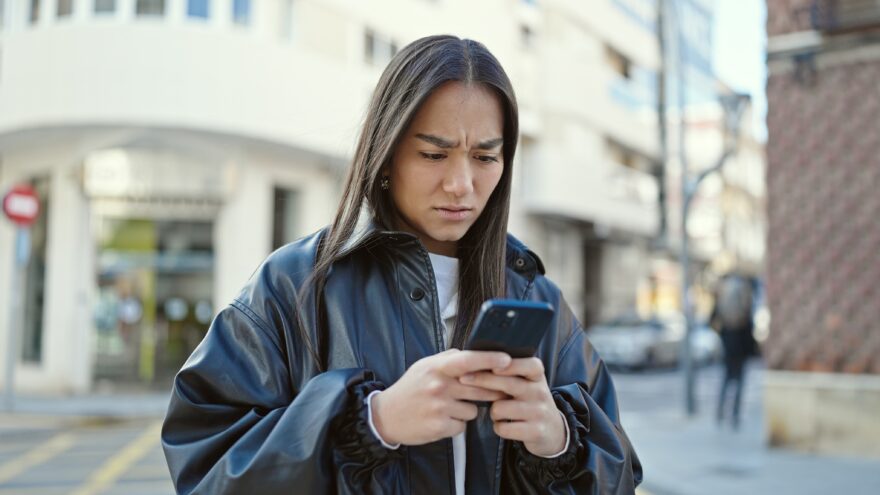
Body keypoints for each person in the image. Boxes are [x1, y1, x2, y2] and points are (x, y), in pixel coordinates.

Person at [161, 35, 642, 494]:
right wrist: (375, 421)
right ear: (386, 153)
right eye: (434, 154)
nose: (461, 183)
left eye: (484, 157)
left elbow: (620, 473)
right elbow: (206, 467)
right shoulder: (293, 284)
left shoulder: (537, 298)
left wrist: (559, 441)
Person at [711, 272, 757, 430]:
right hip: (741, 343)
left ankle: (720, 412)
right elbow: (750, 320)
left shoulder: (723, 291)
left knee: (726, 379)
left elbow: (712, 319)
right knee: (740, 381)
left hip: (728, 342)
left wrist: (723, 334)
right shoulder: (745, 290)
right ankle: (735, 415)